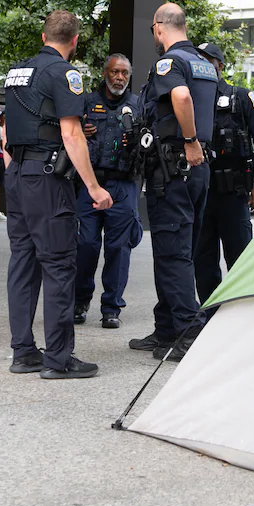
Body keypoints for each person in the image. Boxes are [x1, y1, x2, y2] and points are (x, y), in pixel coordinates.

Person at [4, 9, 112, 380]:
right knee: (59, 264)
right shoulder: (65, 73)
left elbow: (9, 134)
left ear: (43, 36)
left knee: (22, 262)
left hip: (17, 174)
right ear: (75, 40)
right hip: (47, 179)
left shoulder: (17, 72)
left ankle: (23, 353)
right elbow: (71, 134)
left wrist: (17, 171)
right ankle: (59, 359)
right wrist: (94, 187)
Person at [128, 3, 217, 362]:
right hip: (196, 170)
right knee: (179, 250)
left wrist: (189, 139)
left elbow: (180, 96)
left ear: (160, 27)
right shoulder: (202, 63)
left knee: (172, 253)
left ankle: (189, 331)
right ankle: (166, 329)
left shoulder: (170, 63)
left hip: (174, 167)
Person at [193, 41, 254, 305]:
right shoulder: (191, 100)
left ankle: (242, 312)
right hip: (203, 193)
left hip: (234, 194)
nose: (203, 67)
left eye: (208, 61)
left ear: (220, 66)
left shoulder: (241, 98)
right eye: (199, 61)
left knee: (239, 259)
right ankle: (210, 313)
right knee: (203, 261)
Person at [74, 53, 142, 330]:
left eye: (125, 73)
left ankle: (111, 308)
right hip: (90, 184)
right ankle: (79, 302)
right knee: (86, 245)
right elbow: (67, 133)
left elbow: (149, 143)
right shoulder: (87, 103)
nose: (119, 78)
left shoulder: (138, 105)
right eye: (115, 72)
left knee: (118, 249)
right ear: (105, 74)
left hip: (123, 185)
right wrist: (81, 131)